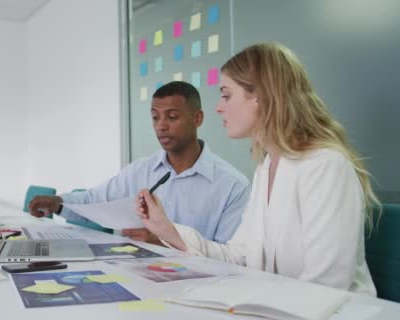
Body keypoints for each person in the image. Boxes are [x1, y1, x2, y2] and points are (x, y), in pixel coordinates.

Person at [136, 43, 379, 295]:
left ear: (261, 97)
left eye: (227, 95)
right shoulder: (267, 168)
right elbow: (239, 257)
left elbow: (326, 286)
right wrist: (167, 229)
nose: (219, 107)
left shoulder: (325, 165)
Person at [29, 81, 250, 244]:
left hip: (197, 290)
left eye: (172, 117)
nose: (161, 126)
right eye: (155, 117)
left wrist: (164, 242)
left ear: (197, 118)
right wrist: (58, 203)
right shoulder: (140, 171)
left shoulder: (232, 185)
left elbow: (230, 257)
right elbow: (94, 200)